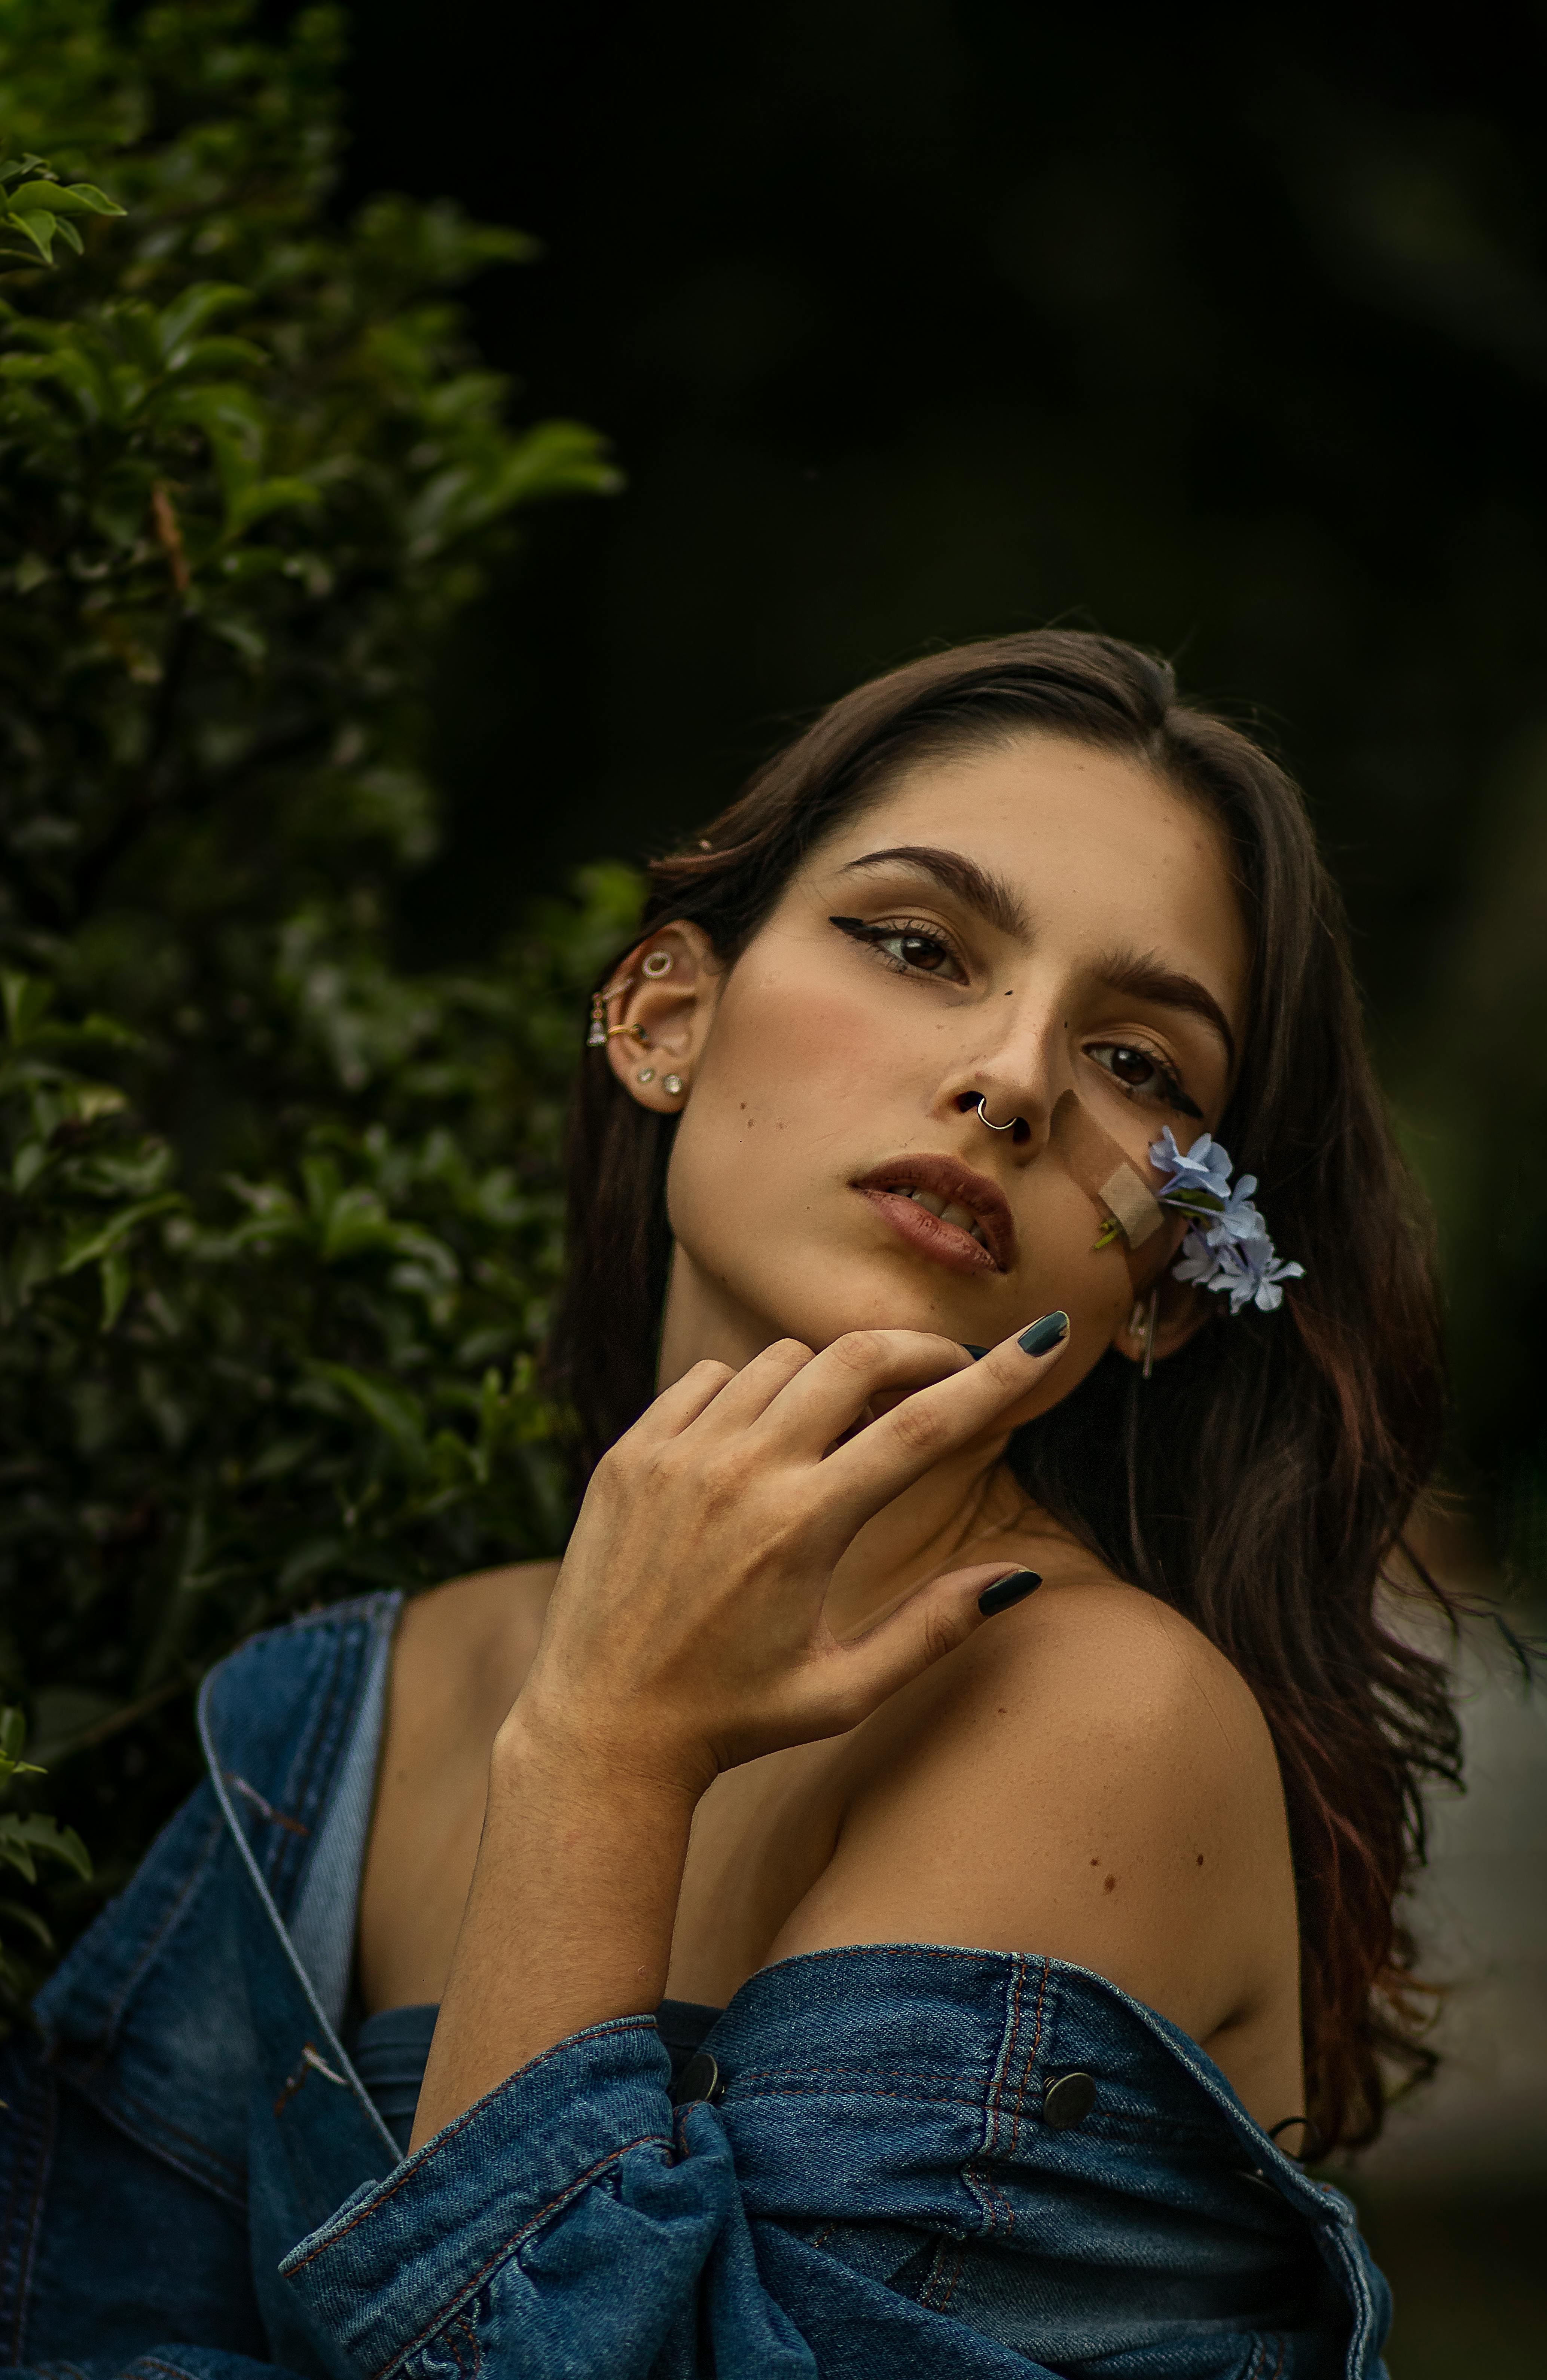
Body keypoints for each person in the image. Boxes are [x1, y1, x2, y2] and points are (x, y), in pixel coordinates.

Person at [0, 633, 1455, 2379]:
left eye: (1138, 1067)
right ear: (662, 1016)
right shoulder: (339, 1713)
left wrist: (600, 1760)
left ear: (1161, 1292)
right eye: (918, 948)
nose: (1012, 1078)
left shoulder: (1095, 1718)